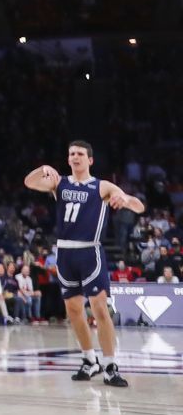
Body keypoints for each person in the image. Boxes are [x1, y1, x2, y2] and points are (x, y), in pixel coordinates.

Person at [24, 140, 145, 387]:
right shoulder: (60, 182)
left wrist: (123, 199)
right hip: (65, 254)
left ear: (90, 160)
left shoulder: (102, 186)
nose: (75, 157)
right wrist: (42, 168)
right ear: (68, 160)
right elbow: (29, 182)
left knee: (100, 310)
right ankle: (90, 360)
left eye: (80, 153)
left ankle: (110, 365)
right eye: (71, 154)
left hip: (91, 252)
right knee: (74, 312)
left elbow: (138, 206)